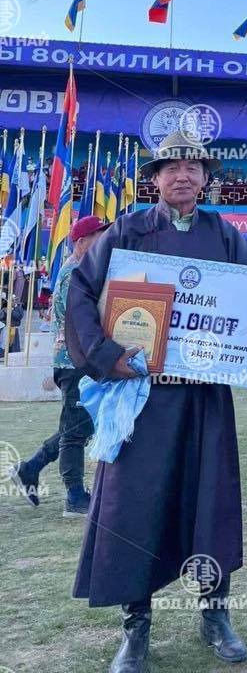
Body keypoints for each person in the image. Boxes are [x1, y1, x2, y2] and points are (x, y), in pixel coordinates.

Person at [65, 132, 247, 672]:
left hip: (204, 399)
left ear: (206, 177)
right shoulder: (127, 231)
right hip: (140, 401)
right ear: (156, 178)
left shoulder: (226, 235)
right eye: (171, 167)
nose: (182, 175)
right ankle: (136, 627)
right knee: (132, 508)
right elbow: (80, 291)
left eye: (192, 166)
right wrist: (106, 355)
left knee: (210, 503)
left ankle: (215, 615)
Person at [10, 216, 108, 516]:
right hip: (74, 359)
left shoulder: (84, 270)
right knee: (77, 430)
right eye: (98, 236)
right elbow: (80, 319)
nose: (104, 241)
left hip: (81, 358)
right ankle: (74, 497)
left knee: (79, 424)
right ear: (82, 242)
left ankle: (31, 467)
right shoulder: (74, 274)